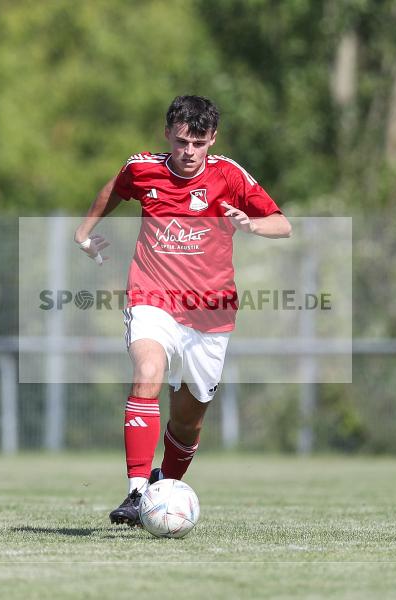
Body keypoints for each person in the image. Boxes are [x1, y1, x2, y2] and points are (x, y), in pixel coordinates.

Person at [73, 95, 291, 526]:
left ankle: (164, 485)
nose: (189, 152)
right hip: (152, 298)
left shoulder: (229, 175)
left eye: (199, 143)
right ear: (167, 134)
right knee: (148, 371)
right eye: (181, 141)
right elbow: (114, 189)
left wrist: (251, 224)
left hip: (211, 314)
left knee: (188, 423)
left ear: (213, 139)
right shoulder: (142, 168)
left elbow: (282, 224)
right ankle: (138, 493)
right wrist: (84, 232)